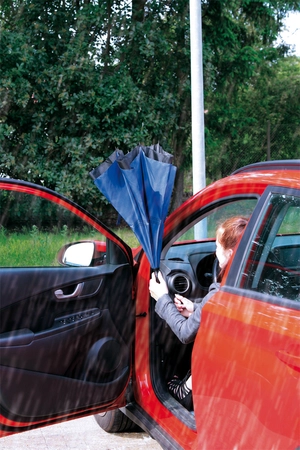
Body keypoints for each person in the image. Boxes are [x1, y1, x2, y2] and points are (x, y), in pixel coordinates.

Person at [149, 216, 249, 411]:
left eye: (218, 246)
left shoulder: (221, 292)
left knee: (206, 340)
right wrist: (196, 308)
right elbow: (222, 309)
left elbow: (185, 332)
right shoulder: (247, 282)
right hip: (241, 358)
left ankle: (186, 390)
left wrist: (162, 298)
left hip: (224, 359)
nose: (215, 252)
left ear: (230, 253)